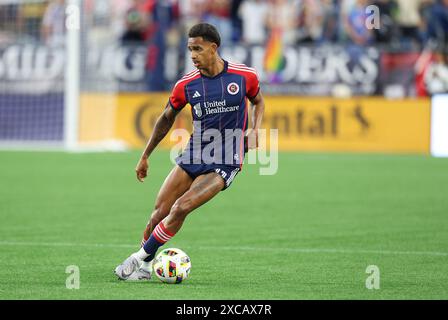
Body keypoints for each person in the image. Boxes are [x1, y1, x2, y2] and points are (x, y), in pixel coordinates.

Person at [114, 22, 266, 280]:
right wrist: (145, 155)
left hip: (226, 161)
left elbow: (258, 101)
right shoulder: (186, 84)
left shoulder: (244, 76)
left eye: (198, 49)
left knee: (182, 207)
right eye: (190, 49)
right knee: (158, 214)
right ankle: (146, 268)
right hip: (194, 154)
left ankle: (137, 259)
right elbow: (165, 118)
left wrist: (255, 129)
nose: (193, 55)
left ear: (213, 48)